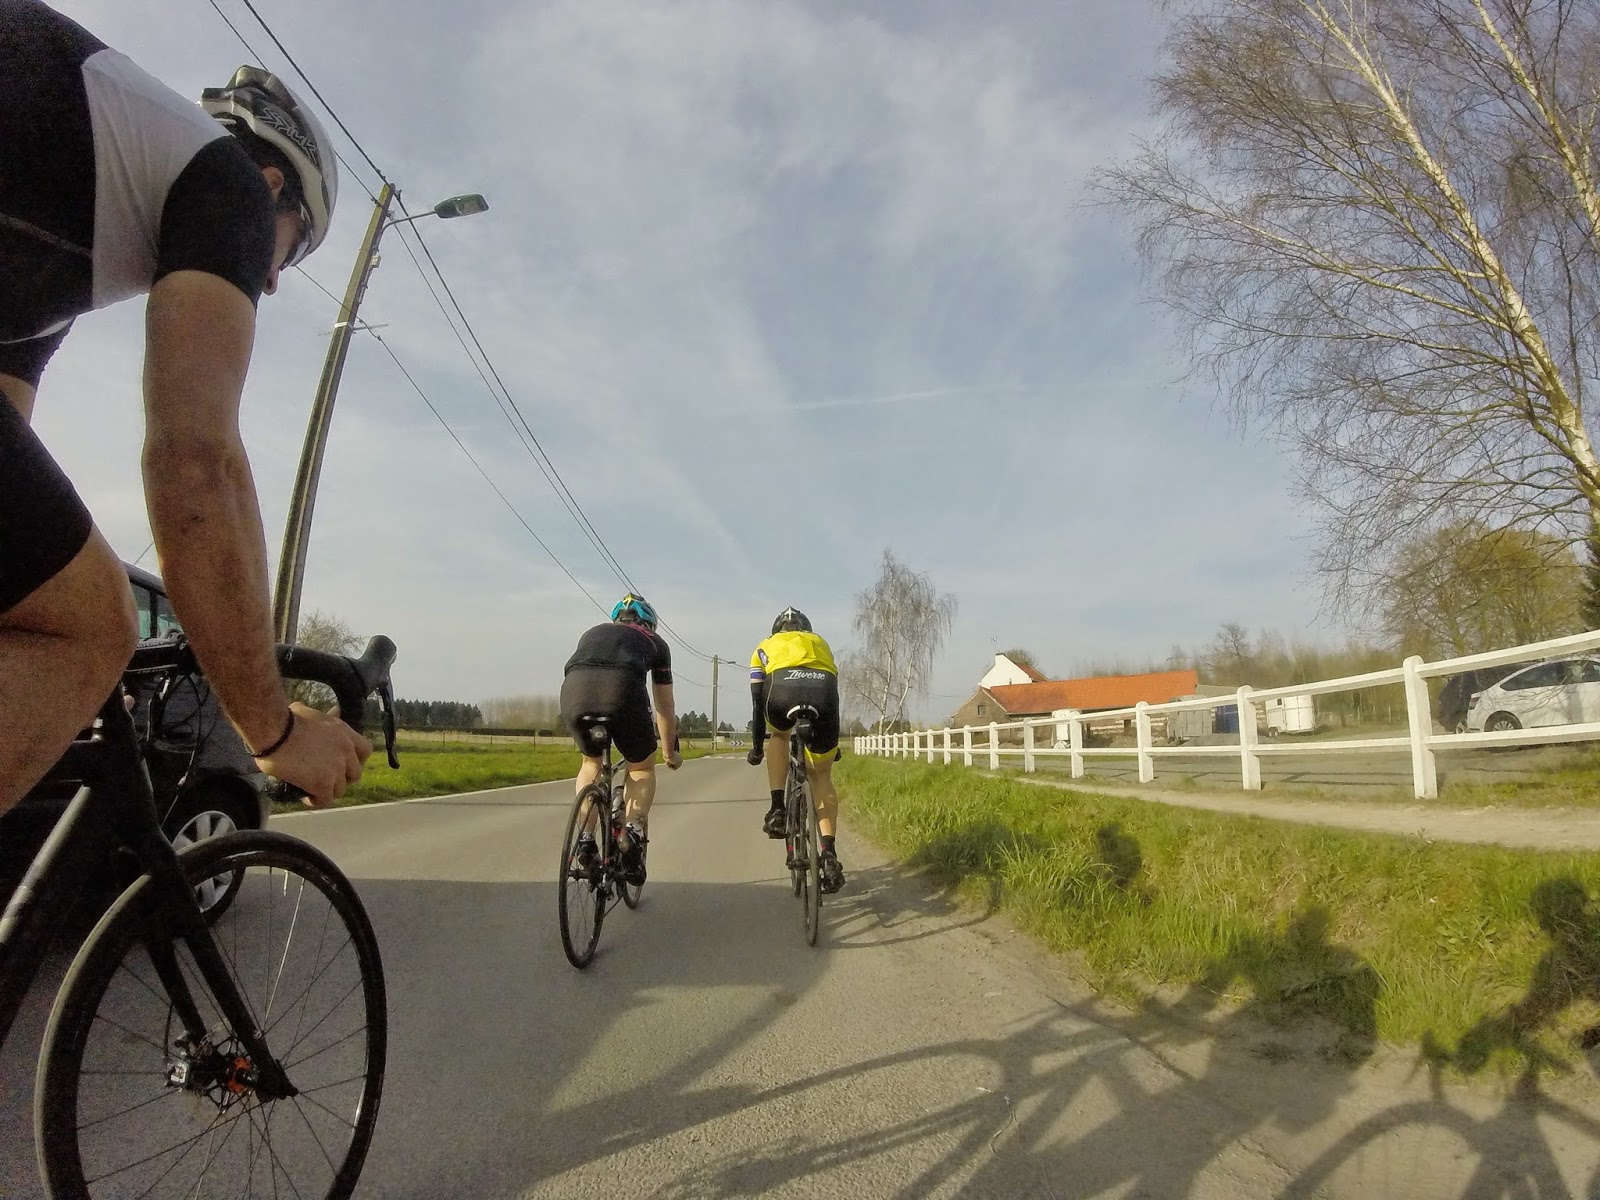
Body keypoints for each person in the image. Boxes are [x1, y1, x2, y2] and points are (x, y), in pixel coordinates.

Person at [0, 0, 371, 813]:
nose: (272, 279)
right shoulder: (227, 183)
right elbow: (195, 464)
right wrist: (270, 728)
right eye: (293, 246)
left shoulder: (50, 276)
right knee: (94, 628)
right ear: (273, 185)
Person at [559, 594, 681, 884]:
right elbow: (664, 707)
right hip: (622, 690)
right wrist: (669, 752)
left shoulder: (592, 632)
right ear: (649, 623)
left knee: (591, 762)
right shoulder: (655, 642)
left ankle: (586, 840)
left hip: (574, 691)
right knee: (640, 768)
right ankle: (632, 834)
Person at [746, 607, 845, 892]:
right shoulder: (820, 643)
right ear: (806, 629)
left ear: (777, 630)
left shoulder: (764, 646)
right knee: (821, 776)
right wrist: (831, 744)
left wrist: (756, 749)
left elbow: (756, 703)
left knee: (779, 735)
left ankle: (777, 808)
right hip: (823, 694)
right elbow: (833, 694)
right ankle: (828, 854)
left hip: (781, 690)